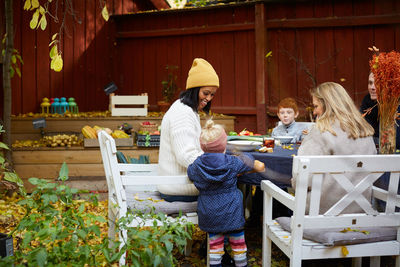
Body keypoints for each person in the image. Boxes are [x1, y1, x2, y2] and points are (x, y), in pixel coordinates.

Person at [187, 119, 265, 267]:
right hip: (232, 213)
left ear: (202, 146)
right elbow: (249, 162)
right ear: (224, 145)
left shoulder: (197, 165)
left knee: (215, 250)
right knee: (239, 246)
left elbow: (190, 173)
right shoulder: (232, 162)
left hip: (210, 213)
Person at [294, 82, 377, 214]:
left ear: (328, 106)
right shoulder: (366, 133)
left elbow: (302, 179)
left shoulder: (320, 132)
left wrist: (293, 182)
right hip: (361, 212)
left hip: (320, 214)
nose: (314, 112)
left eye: (316, 106)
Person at [157, 58, 219, 202]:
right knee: (232, 185)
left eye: (212, 94)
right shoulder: (183, 113)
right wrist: (217, 163)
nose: (208, 98)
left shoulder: (187, 109)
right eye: (206, 93)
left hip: (178, 183)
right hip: (179, 187)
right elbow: (186, 156)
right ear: (194, 89)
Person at [360, 72, 400, 148]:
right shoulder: (367, 103)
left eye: (377, 83)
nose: (372, 87)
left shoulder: (395, 105)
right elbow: (361, 135)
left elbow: (396, 141)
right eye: (370, 83)